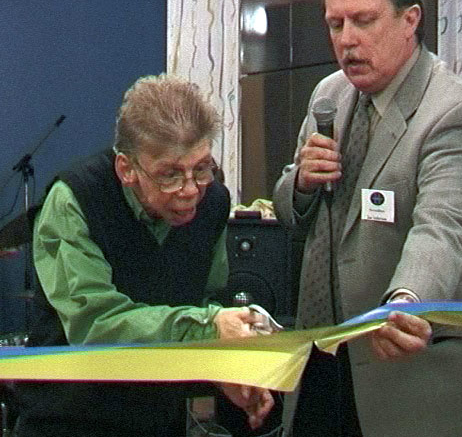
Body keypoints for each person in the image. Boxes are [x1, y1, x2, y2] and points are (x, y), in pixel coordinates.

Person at [272, 0, 462, 436]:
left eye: (364, 20)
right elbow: (289, 212)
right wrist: (302, 182)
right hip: (320, 366)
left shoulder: (456, 113)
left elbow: (444, 229)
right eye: (335, 24)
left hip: (409, 379)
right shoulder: (328, 95)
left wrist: (408, 302)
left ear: (410, 19)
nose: (347, 40)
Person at [14, 74, 274, 437]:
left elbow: (206, 298)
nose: (189, 191)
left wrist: (222, 370)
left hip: (159, 419)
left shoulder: (213, 202)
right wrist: (209, 326)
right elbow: (95, 326)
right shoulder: (76, 199)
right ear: (127, 169)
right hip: (68, 420)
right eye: (169, 175)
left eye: (201, 168)